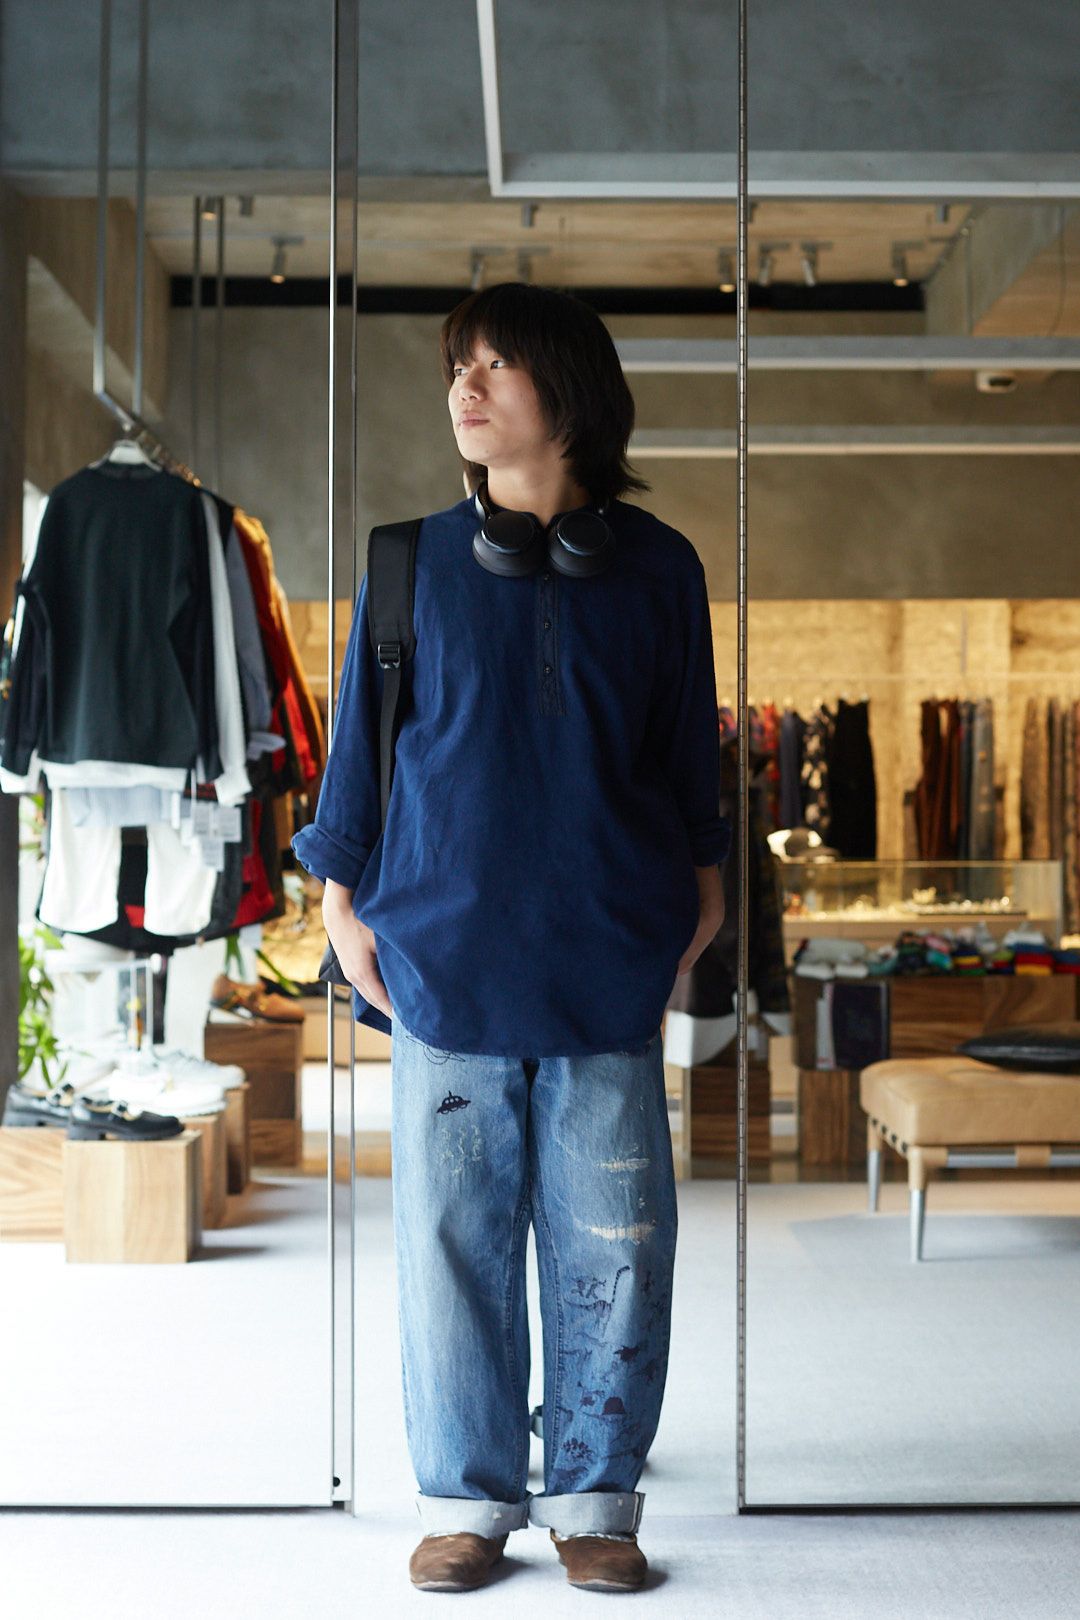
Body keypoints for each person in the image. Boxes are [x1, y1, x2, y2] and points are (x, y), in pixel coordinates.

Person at [292, 281, 730, 1593]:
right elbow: (363, 754)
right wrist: (338, 897)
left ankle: (595, 1497)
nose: (465, 389)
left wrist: (704, 897)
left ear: (571, 391)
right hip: (442, 950)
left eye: (496, 365)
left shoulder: (660, 569)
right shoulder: (405, 561)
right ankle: (467, 1501)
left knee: (616, 1239)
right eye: (458, 367)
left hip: (607, 949)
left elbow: (687, 760)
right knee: (451, 1245)